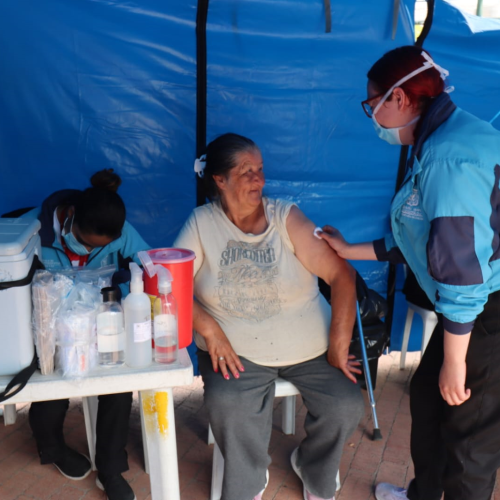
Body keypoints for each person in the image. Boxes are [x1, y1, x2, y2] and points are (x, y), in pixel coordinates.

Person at [318, 46, 500, 500]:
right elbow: (423, 235)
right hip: (473, 308)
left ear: (398, 98)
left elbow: (461, 273)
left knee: (468, 432)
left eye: (372, 103)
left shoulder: (448, 158)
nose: (372, 115)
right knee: (427, 393)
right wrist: (347, 250)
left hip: (486, 309)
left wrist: (456, 363)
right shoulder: (444, 137)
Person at [175, 133, 365, 500]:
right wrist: (211, 332)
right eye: (246, 171)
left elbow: (342, 276)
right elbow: (172, 285)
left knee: (345, 405)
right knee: (228, 404)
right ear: (219, 179)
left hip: (311, 349)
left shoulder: (285, 216)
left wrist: (339, 345)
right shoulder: (200, 223)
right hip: (237, 353)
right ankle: (249, 480)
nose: (258, 180)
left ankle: (312, 466)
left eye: (260, 170)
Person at [23, 169, 149, 500]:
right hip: (50, 330)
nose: (87, 250)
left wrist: (116, 293)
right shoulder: (34, 231)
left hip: (101, 325)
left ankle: (109, 468)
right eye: (85, 243)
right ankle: (53, 448)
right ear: (71, 219)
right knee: (49, 386)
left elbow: (149, 268)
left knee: (118, 386)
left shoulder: (120, 233)